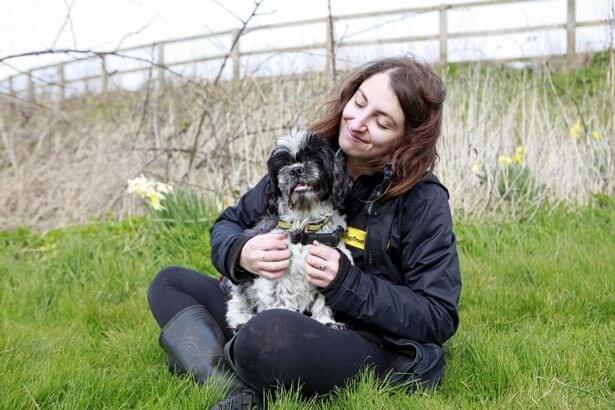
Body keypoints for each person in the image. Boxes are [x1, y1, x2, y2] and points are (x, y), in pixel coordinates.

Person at [147, 56, 461, 409]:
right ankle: (233, 390)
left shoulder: (423, 200)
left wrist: (347, 284)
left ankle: (207, 354)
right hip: (274, 302)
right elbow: (228, 224)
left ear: (407, 139)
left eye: (382, 122)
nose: (358, 122)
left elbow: (438, 316)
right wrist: (241, 251)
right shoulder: (308, 156)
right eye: (359, 102)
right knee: (169, 283)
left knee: (269, 334)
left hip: (361, 338)